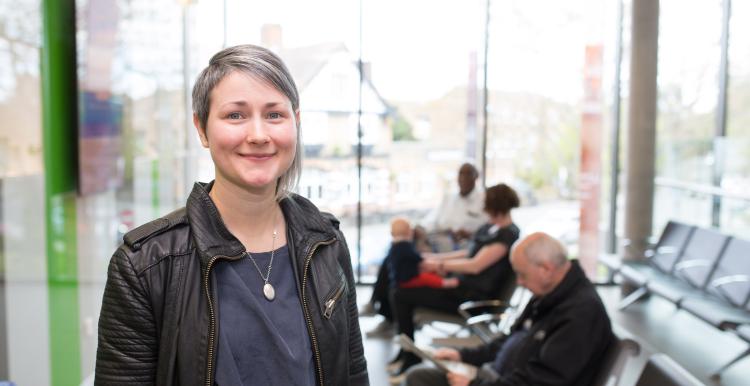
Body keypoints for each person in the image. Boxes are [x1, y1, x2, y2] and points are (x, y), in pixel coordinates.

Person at [95, 44, 368, 386]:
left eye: (274, 115)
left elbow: (352, 373)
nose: (258, 135)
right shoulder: (145, 266)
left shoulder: (327, 242)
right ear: (202, 128)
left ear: (295, 123)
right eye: (235, 115)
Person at [403, 233, 615, 386]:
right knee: (418, 376)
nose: (520, 283)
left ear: (546, 269)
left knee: (421, 379)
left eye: (522, 274)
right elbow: (509, 339)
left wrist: (473, 384)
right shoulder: (548, 294)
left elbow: (541, 381)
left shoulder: (580, 314)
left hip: (504, 381)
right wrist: (463, 356)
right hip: (498, 376)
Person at [389, 183, 522, 378]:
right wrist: (435, 259)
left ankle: (410, 355)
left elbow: (475, 265)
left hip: (471, 299)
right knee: (399, 290)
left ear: (494, 205)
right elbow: (467, 253)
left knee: (401, 294)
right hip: (461, 289)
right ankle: (406, 351)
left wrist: (438, 266)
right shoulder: (490, 228)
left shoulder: (507, 234)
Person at [360, 163, 488, 336]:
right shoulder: (449, 198)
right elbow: (432, 221)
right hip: (435, 241)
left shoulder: (482, 202)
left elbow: (478, 243)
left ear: (476, 178)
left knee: (400, 264)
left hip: (455, 246)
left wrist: (464, 238)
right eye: (460, 174)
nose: (463, 179)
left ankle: (388, 315)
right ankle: (380, 307)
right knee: (396, 252)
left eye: (468, 175)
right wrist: (417, 230)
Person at [387, 217, 459, 289]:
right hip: (407, 279)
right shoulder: (404, 245)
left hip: (399, 279)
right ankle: (444, 283)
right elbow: (417, 257)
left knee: (426, 275)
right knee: (426, 278)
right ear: (409, 232)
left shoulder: (393, 247)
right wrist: (423, 259)